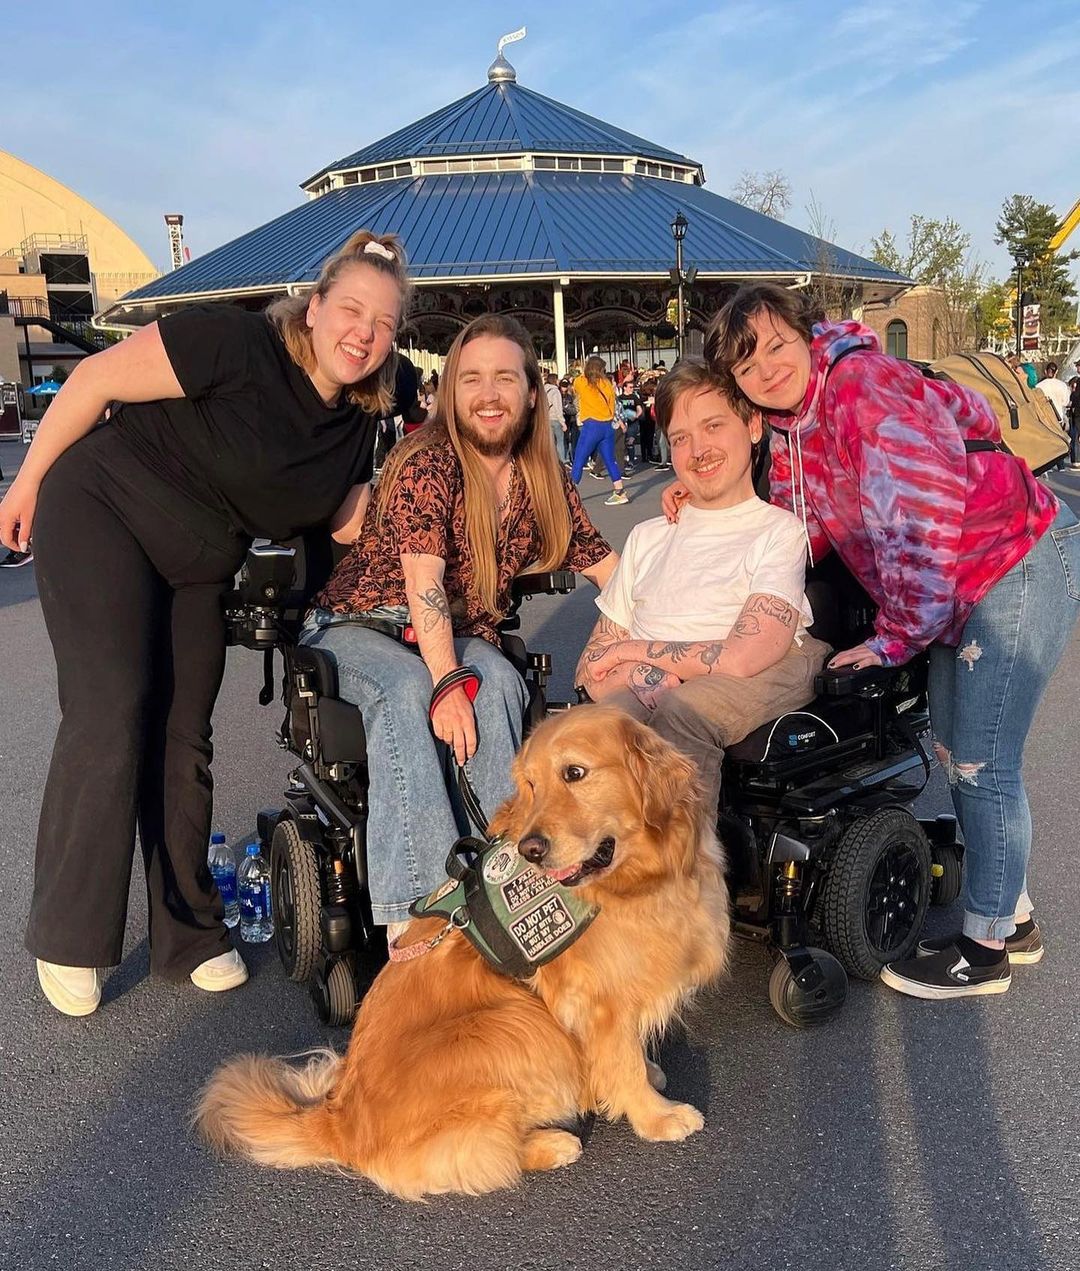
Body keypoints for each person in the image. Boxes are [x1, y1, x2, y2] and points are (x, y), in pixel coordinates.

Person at [0, 229, 409, 1018]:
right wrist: (26, 486)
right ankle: (70, 933)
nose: (364, 331)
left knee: (185, 735)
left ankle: (186, 932)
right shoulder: (236, 342)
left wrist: (448, 500)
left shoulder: (357, 423)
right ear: (314, 306)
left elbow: (350, 521)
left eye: (384, 322)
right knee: (113, 705)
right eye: (352, 308)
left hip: (199, 563)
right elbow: (93, 379)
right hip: (104, 506)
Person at [682, 281, 1080, 1002]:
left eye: (777, 345)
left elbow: (917, 521)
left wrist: (895, 639)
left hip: (1013, 559)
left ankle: (985, 950)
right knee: (960, 753)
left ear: (805, 334)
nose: (767, 368)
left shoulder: (862, 389)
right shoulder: (795, 423)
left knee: (982, 761)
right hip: (960, 582)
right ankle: (1012, 917)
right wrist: (709, 510)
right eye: (747, 363)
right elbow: (799, 528)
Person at [301, 314, 617, 938]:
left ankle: (506, 884)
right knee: (408, 689)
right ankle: (420, 919)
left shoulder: (543, 477)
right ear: (451, 392)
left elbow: (607, 567)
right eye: (471, 379)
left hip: (455, 629)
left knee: (500, 683)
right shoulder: (428, 460)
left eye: (505, 378)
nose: (488, 394)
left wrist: (662, 628)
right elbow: (423, 582)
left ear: (533, 393)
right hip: (358, 621)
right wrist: (447, 680)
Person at [575, 359, 827, 814]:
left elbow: (741, 658)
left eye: (713, 426)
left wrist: (630, 653)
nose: (698, 450)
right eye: (680, 438)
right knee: (594, 736)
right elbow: (591, 664)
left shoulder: (778, 531)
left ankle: (683, 858)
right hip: (657, 680)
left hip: (756, 670)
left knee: (681, 714)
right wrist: (646, 677)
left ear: (753, 426)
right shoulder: (647, 537)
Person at [571, 356, 629, 505]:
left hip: (591, 426)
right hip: (607, 426)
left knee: (579, 460)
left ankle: (568, 496)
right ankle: (619, 492)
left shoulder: (582, 382)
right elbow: (612, 405)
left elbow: (575, 385)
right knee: (610, 460)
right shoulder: (606, 383)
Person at [615, 373, 643, 471]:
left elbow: (639, 409)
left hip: (633, 423)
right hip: (623, 423)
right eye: (630, 387)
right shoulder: (620, 398)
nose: (632, 389)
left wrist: (636, 415)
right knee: (622, 443)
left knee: (630, 442)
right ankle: (622, 461)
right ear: (625, 388)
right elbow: (617, 410)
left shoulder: (635, 397)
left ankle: (631, 461)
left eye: (632, 387)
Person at [1035, 360, 1071, 425]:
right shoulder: (1062, 385)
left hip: (1044, 419)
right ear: (1056, 372)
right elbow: (1065, 402)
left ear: (1045, 371)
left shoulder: (1038, 386)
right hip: (1058, 418)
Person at [544, 371, 567, 460]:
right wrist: (563, 422)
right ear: (554, 380)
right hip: (555, 419)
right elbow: (558, 408)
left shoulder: (543, 390)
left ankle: (550, 461)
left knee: (550, 443)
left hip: (546, 419)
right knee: (560, 442)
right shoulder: (555, 391)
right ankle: (561, 462)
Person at [560, 376, 578, 463]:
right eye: (563, 386)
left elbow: (574, 408)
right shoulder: (558, 395)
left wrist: (567, 408)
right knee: (564, 439)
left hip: (570, 419)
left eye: (565, 386)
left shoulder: (570, 396)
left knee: (571, 439)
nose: (564, 388)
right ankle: (565, 457)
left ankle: (571, 457)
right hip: (562, 420)